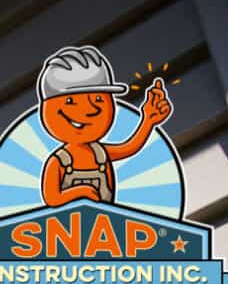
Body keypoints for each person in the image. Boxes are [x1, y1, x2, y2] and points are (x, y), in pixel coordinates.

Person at [36, 45, 173, 207]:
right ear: (46, 110)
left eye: (98, 99)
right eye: (70, 101)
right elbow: (52, 198)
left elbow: (130, 147)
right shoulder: (58, 161)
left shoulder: (100, 154)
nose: (91, 109)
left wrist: (148, 120)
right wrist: (81, 191)